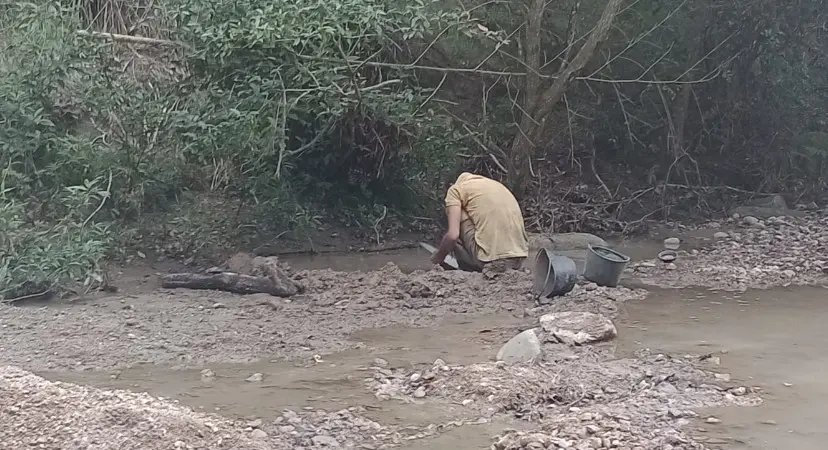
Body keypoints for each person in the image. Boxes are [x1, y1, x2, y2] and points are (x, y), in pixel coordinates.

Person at [430, 172, 529, 272]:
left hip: (491, 261)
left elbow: (453, 235)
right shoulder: (496, 186)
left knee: (456, 215)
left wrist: (438, 257)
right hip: (518, 258)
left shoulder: (456, 189)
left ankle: (469, 268)